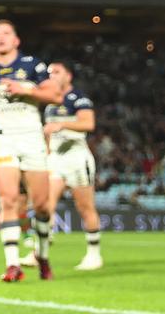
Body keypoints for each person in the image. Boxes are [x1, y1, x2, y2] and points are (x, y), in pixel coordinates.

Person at [0, 19, 63, 283]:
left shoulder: (32, 66)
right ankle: (13, 264)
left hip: (31, 138)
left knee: (40, 205)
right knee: (9, 200)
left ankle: (42, 255)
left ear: (16, 40)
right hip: (1, 139)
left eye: (6, 33)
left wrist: (27, 89)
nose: (1, 37)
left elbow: (55, 95)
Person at [42, 61, 102, 271]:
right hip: (56, 159)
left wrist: (63, 124)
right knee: (45, 205)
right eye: (49, 72)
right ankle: (40, 252)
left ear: (68, 75)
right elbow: (49, 133)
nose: (52, 75)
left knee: (85, 208)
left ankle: (94, 254)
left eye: (56, 71)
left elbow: (88, 124)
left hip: (77, 157)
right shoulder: (49, 105)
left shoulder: (79, 99)